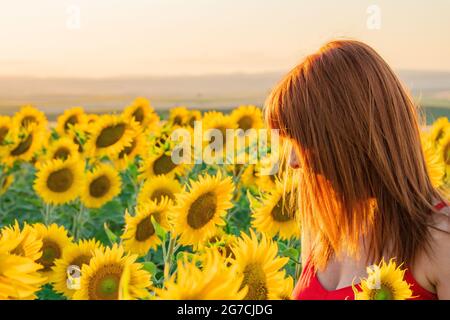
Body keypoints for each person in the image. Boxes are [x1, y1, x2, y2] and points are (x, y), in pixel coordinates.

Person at [264, 39, 450, 300]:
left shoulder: (442, 242)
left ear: (351, 136)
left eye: (303, 142)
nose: (294, 161)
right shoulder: (326, 231)